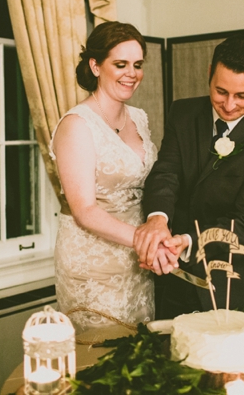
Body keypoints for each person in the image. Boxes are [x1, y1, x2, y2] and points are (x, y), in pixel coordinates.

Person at [134, 35, 244, 320]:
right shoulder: (182, 113)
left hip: (227, 284)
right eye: (221, 91)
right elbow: (166, 172)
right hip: (169, 274)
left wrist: (186, 240)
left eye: (242, 96)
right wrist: (157, 219)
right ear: (209, 73)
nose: (229, 105)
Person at [50, 21, 185, 334]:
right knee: (102, 359)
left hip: (138, 263)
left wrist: (155, 237)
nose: (131, 73)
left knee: (139, 353)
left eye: (137, 65)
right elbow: (84, 210)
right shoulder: (77, 125)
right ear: (96, 66)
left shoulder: (139, 117)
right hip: (93, 264)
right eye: (120, 64)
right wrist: (147, 243)